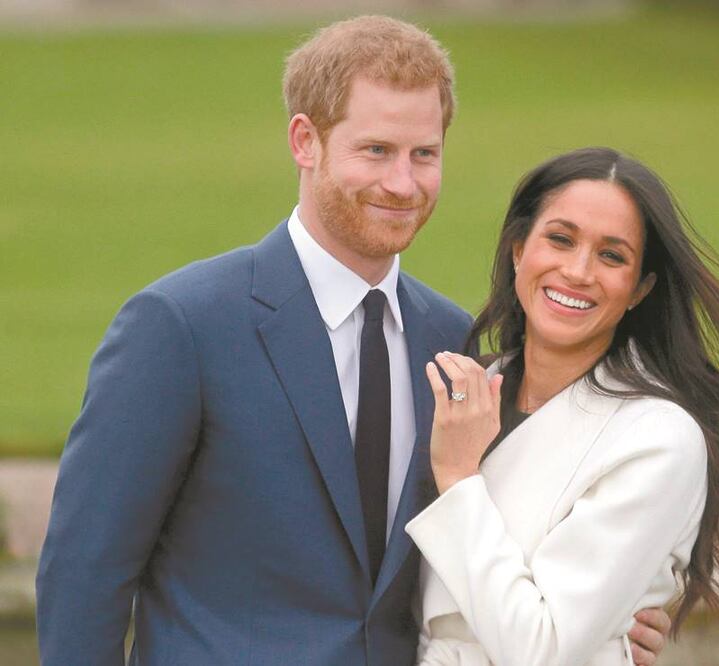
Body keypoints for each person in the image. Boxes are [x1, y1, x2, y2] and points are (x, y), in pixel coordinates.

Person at [35, 17, 668, 666]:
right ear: (305, 142)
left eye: (423, 154)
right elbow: (85, 572)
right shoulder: (179, 326)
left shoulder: (455, 343)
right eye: (376, 151)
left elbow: (493, 536)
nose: (402, 183)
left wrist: (605, 621)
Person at [403, 147, 719, 665]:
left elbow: (544, 651)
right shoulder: (470, 390)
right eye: (560, 239)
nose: (579, 271)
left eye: (612, 256)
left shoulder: (656, 437)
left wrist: (458, 479)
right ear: (519, 250)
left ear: (639, 289)